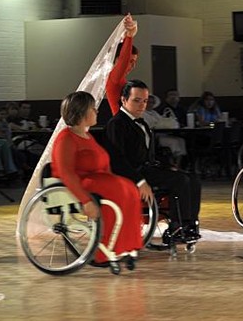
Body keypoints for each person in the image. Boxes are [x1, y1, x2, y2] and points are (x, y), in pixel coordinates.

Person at [51, 91, 142, 264]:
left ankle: (126, 246)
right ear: (82, 112)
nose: (97, 111)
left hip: (97, 179)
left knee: (130, 189)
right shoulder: (66, 138)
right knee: (118, 191)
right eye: (93, 108)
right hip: (79, 183)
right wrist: (85, 200)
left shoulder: (88, 136)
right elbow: (66, 172)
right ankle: (107, 250)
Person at [105, 79, 201, 243]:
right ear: (123, 100)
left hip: (148, 169)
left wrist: (167, 165)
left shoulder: (142, 122)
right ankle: (177, 226)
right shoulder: (117, 124)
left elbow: (151, 153)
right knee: (180, 180)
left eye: (144, 101)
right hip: (131, 173)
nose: (142, 105)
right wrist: (140, 181)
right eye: (136, 100)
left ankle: (190, 225)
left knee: (193, 178)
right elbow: (117, 160)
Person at [105, 14, 138, 115]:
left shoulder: (118, 78)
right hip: (120, 125)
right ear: (118, 59)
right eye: (131, 61)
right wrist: (129, 36)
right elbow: (124, 59)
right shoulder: (115, 77)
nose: (134, 66)